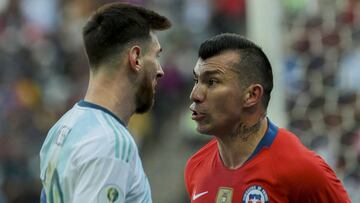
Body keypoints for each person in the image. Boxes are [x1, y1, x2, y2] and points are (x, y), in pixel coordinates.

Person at [184, 33, 351, 203]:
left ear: (251, 95)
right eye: (196, 80)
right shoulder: (196, 166)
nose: (195, 94)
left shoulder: (302, 169)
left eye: (211, 82)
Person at [39, 2, 171, 203]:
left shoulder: (61, 129)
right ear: (135, 58)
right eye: (156, 55)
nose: (161, 70)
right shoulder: (111, 142)